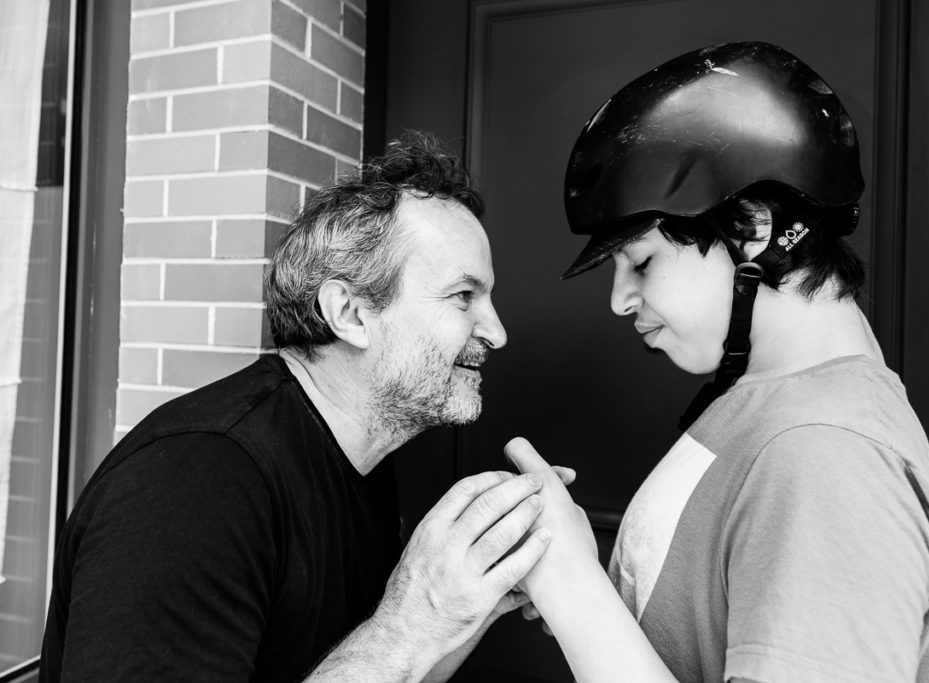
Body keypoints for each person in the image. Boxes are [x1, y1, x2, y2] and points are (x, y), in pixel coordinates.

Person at [40, 132, 563, 682]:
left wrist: (469, 601)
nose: (498, 332)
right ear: (352, 313)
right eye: (464, 296)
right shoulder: (195, 481)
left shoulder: (365, 462)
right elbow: (392, 647)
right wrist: (413, 620)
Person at [509, 41, 929, 682]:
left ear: (753, 229)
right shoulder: (767, 400)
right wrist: (575, 583)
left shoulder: (830, 459)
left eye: (641, 261)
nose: (619, 301)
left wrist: (576, 588)